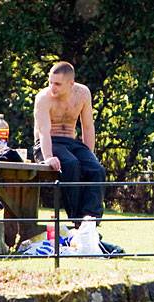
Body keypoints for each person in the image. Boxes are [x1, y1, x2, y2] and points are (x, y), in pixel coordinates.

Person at [33, 61, 106, 225]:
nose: (53, 87)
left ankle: (91, 219)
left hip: (71, 142)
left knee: (96, 169)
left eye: (57, 84)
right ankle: (77, 219)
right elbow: (43, 132)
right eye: (50, 82)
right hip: (47, 144)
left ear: (71, 83)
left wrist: (89, 155)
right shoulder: (43, 98)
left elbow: (88, 126)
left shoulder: (83, 94)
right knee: (71, 164)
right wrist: (49, 157)